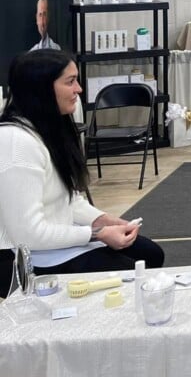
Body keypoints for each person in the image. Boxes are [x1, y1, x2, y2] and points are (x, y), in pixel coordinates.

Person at [0, 50, 164, 294]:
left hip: (54, 247)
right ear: (42, 88)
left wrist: (105, 221)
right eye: (70, 82)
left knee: (150, 254)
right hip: (24, 258)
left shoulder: (49, 128)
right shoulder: (16, 142)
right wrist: (97, 234)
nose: (79, 89)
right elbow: (29, 235)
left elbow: (67, 200)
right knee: (129, 273)